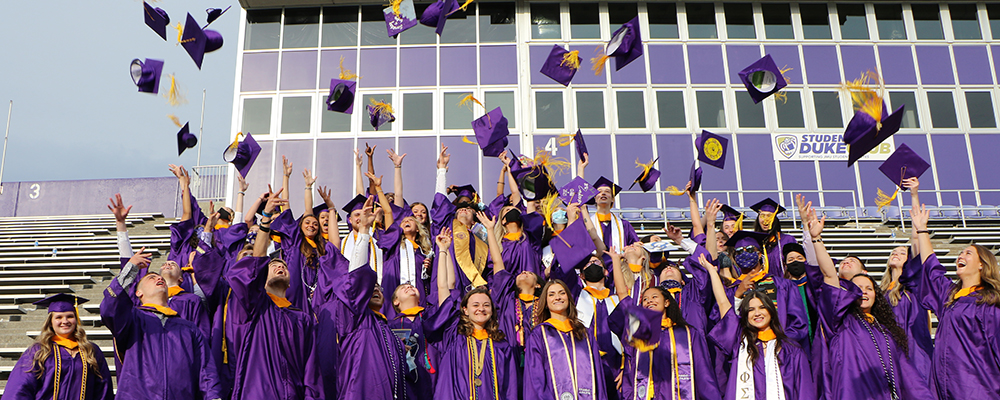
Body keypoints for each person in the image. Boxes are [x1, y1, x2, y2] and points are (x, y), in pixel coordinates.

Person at [807, 204, 933, 400]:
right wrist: (816, 238)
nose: (864, 292)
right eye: (858, 288)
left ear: (876, 295)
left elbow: (909, 377)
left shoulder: (887, 331)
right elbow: (829, 276)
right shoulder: (840, 322)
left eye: (869, 288)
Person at [225, 190, 324, 400]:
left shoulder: (302, 318)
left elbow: (311, 373)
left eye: (283, 266)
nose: (280, 267)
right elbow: (257, 258)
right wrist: (266, 218)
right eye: (273, 265)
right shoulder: (254, 307)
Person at [313, 196, 406, 400]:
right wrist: (363, 231)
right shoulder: (355, 316)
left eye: (378, 288)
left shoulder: (386, 328)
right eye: (370, 286)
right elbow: (355, 277)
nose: (375, 289)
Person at [99, 248, 221, 399]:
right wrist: (131, 268)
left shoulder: (189, 329)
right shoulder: (132, 320)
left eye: (160, 278)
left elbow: (206, 372)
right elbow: (110, 307)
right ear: (139, 293)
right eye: (151, 278)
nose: (159, 278)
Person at [912, 202, 1000, 399]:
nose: (961, 255)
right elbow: (931, 269)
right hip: (945, 388)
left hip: (979, 388)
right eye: (960, 252)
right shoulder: (951, 297)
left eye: (968, 253)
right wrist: (922, 230)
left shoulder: (990, 303)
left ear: (981, 265)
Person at [704, 252, 815, 400]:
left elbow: (804, 391)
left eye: (762, 308)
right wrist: (712, 271)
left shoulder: (791, 349)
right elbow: (724, 303)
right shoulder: (740, 342)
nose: (757, 313)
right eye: (750, 310)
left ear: (771, 311)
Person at [430, 222, 518, 399]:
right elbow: (444, 287)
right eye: (475, 305)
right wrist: (443, 251)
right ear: (465, 310)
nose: (481, 309)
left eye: (486, 305)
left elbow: (510, 388)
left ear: (492, 311)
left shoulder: (501, 344)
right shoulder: (454, 336)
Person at [110, 194, 212, 340]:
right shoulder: (140, 307)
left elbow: (202, 338)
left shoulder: (191, 300)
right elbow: (127, 266)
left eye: (173, 264)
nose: (168, 263)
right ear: (140, 292)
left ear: (181, 279)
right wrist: (120, 225)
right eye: (154, 276)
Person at [609, 286, 721, 400]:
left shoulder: (688, 334)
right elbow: (630, 371)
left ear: (666, 302)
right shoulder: (638, 336)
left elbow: (702, 371)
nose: (649, 301)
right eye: (645, 299)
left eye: (654, 297)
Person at [2, 294, 114, 400]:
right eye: (58, 317)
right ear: (50, 322)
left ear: (76, 319)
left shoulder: (91, 351)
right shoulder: (39, 351)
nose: (65, 321)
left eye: (70, 316)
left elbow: (103, 391)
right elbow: (19, 388)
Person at [878, 178, 934, 380]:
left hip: (915, 354)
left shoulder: (914, 285)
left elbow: (917, 239)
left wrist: (914, 194)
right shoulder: (880, 292)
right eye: (894, 251)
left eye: (902, 253)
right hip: (888, 353)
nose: (896, 253)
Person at [524, 279, 608, 400]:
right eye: (551, 294)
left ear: (568, 298)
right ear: (546, 303)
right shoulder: (539, 335)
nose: (557, 297)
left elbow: (598, 377)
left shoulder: (584, 333)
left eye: (562, 293)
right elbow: (535, 380)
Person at [269, 173, 339, 314]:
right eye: (307, 223)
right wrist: (288, 178)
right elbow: (288, 208)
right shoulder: (295, 241)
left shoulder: (322, 248)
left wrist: (331, 208)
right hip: (295, 292)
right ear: (300, 226)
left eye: (315, 224)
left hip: (317, 295)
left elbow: (335, 242)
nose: (311, 225)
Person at [430, 144, 492, 300]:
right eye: (460, 208)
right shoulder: (447, 225)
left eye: (469, 209)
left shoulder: (481, 240)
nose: (464, 209)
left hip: (473, 293)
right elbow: (440, 202)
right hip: (447, 287)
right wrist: (442, 171)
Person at [580, 152, 640, 278]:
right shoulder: (587, 223)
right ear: (594, 199)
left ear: (612, 200)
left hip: (621, 269)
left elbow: (635, 245)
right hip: (595, 271)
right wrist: (581, 169)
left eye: (607, 192)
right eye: (599, 192)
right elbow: (579, 198)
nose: (603, 194)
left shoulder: (624, 225)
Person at [749, 198, 798, 278]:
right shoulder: (753, 242)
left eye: (769, 216)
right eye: (762, 215)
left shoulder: (787, 240)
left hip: (784, 285)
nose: (766, 220)